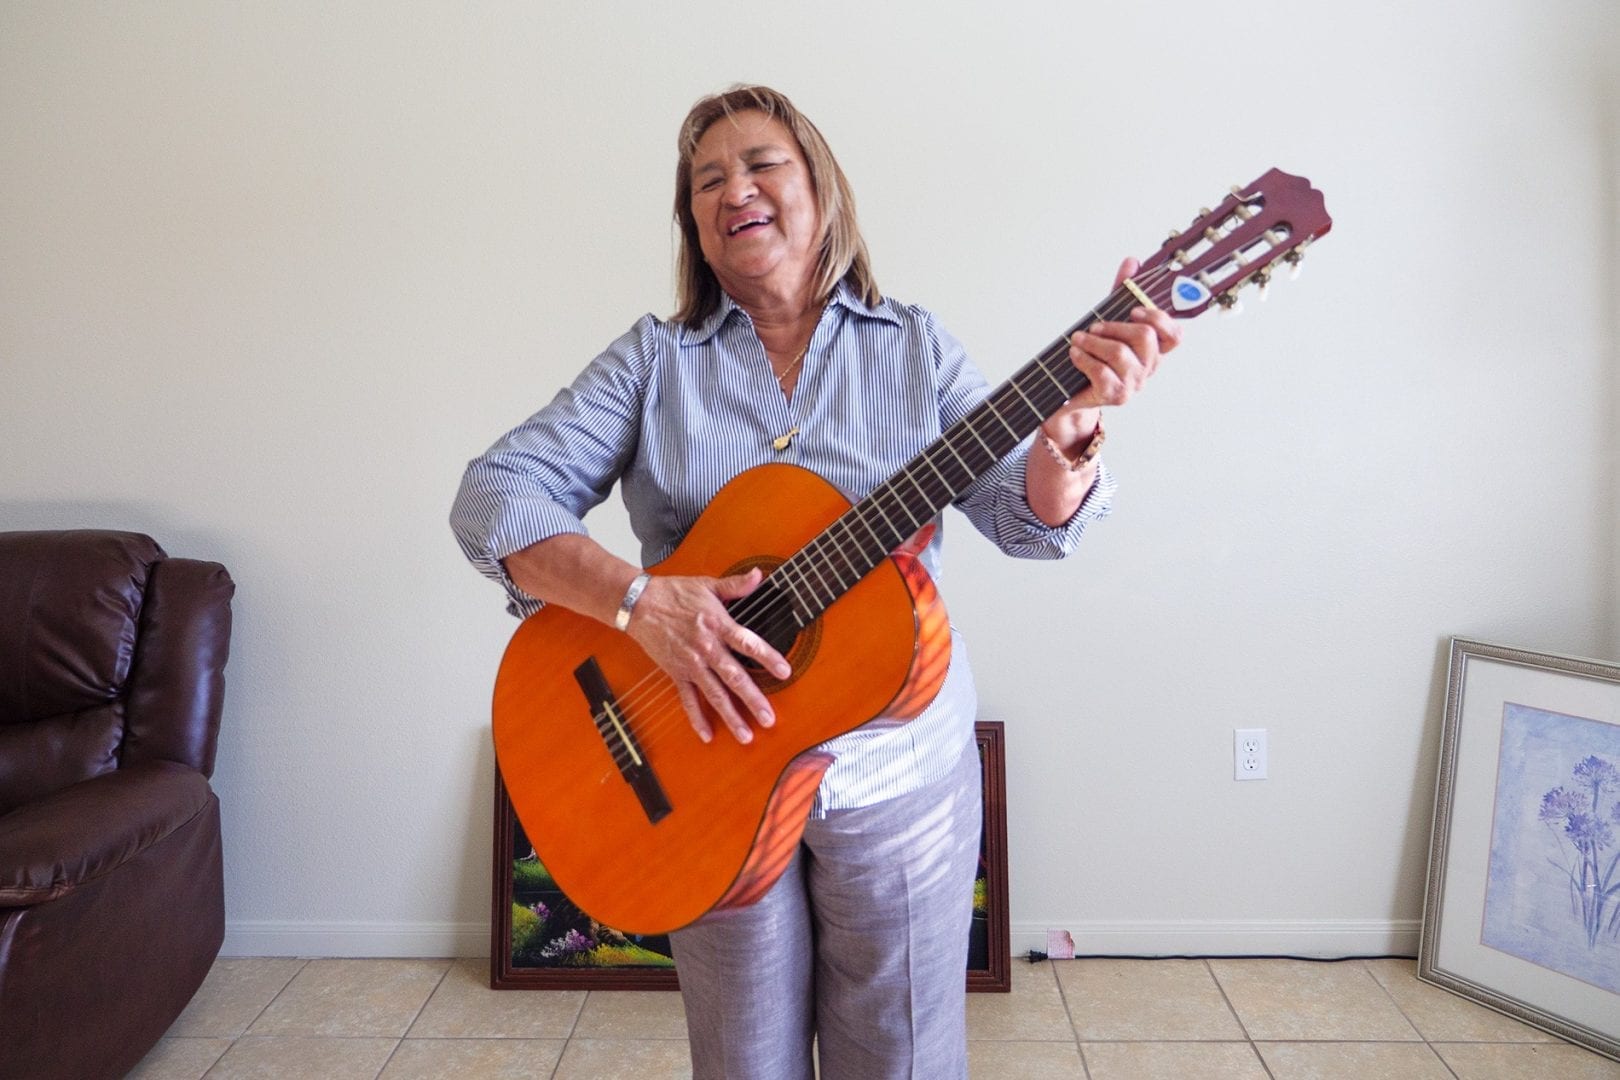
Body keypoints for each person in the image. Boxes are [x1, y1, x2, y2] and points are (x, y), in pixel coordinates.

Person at [451, 84, 1180, 1080]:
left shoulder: (916, 350)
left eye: (760, 164)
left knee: (901, 1056)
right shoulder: (653, 364)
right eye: (706, 180)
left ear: (822, 192)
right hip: (700, 772)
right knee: (743, 1061)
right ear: (697, 231)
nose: (732, 188)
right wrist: (639, 601)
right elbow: (494, 494)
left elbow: (1025, 517)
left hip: (898, 776)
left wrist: (1067, 448)